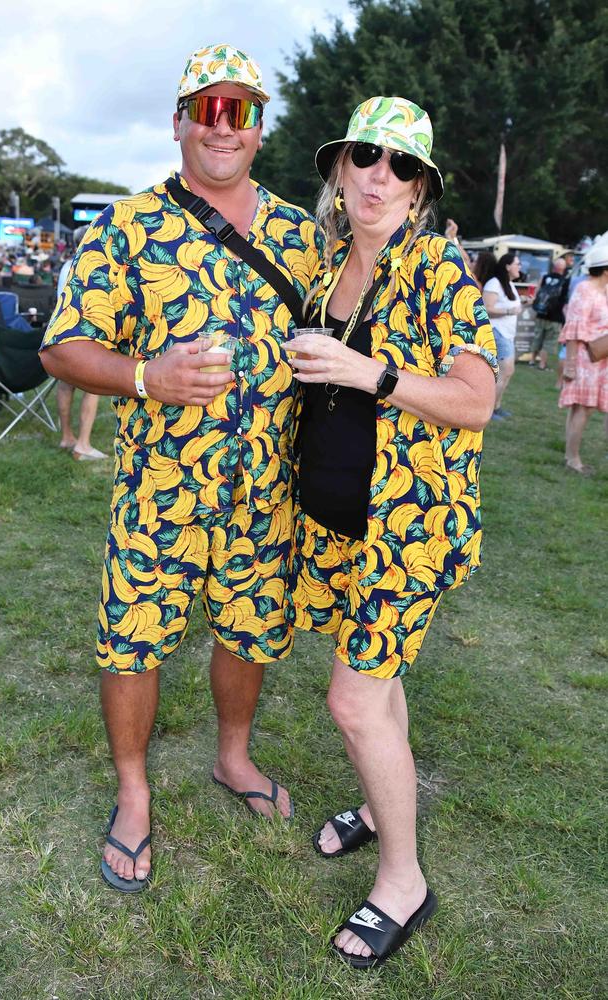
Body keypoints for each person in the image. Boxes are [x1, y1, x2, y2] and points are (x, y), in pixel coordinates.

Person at [40, 43, 323, 892]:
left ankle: (232, 757)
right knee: (134, 640)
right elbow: (63, 345)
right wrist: (144, 376)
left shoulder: (302, 238)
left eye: (241, 110)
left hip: (267, 492)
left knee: (249, 632)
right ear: (179, 123)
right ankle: (133, 793)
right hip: (161, 491)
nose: (224, 126)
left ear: (262, 129)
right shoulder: (128, 226)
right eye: (208, 108)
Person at [283, 95, 497, 970]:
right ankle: (379, 811)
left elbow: (477, 402)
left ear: (421, 189)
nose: (379, 177)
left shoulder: (441, 269)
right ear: (339, 166)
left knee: (352, 699)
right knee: (380, 680)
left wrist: (371, 372)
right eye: (366, 156)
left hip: (407, 528)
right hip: (337, 523)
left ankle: (403, 880)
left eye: (401, 166)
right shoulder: (328, 261)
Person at [55, 226, 108, 460]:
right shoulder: (91, 263)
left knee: (65, 385)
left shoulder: (67, 265)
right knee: (92, 388)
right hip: (86, 332)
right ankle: (83, 445)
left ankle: (67, 436)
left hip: (61, 331)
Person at [558, 241, 608, 474]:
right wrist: (569, 365)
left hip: (598, 360)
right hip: (585, 358)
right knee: (582, 408)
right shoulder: (585, 290)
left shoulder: (602, 291)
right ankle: (573, 458)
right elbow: (574, 327)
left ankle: (570, 455)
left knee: (581, 409)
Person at [482, 251, 522, 419]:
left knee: (507, 372)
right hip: (498, 332)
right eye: (517, 263)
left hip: (507, 334)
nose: (520, 267)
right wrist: (508, 310)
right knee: (505, 371)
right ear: (507, 266)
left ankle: (496, 407)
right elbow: (486, 308)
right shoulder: (494, 283)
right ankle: (489, 410)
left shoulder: (509, 284)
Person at [530, 256, 568, 370]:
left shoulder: (545, 277)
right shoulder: (565, 281)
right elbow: (565, 300)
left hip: (541, 313)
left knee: (537, 338)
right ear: (563, 268)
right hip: (555, 316)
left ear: (554, 267)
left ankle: (532, 360)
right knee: (549, 341)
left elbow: (536, 294)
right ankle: (542, 364)